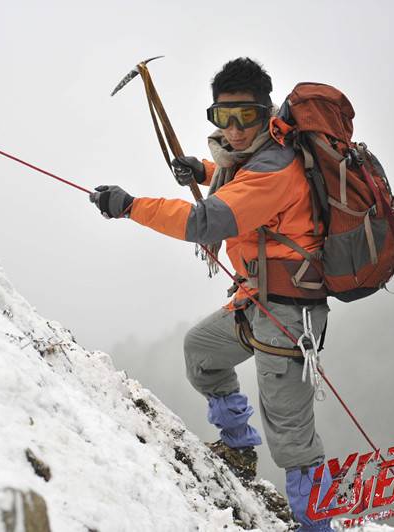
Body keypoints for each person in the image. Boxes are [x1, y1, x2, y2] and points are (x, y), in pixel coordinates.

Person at [90, 57, 332, 531]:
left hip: (289, 313)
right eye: (224, 118)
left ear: (266, 114)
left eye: (246, 117)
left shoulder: (274, 170)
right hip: (257, 298)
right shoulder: (262, 153)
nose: (235, 130)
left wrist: (129, 206)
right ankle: (239, 448)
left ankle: (316, 523)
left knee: (291, 436)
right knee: (202, 351)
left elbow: (205, 222)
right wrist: (202, 170)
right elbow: (237, 177)